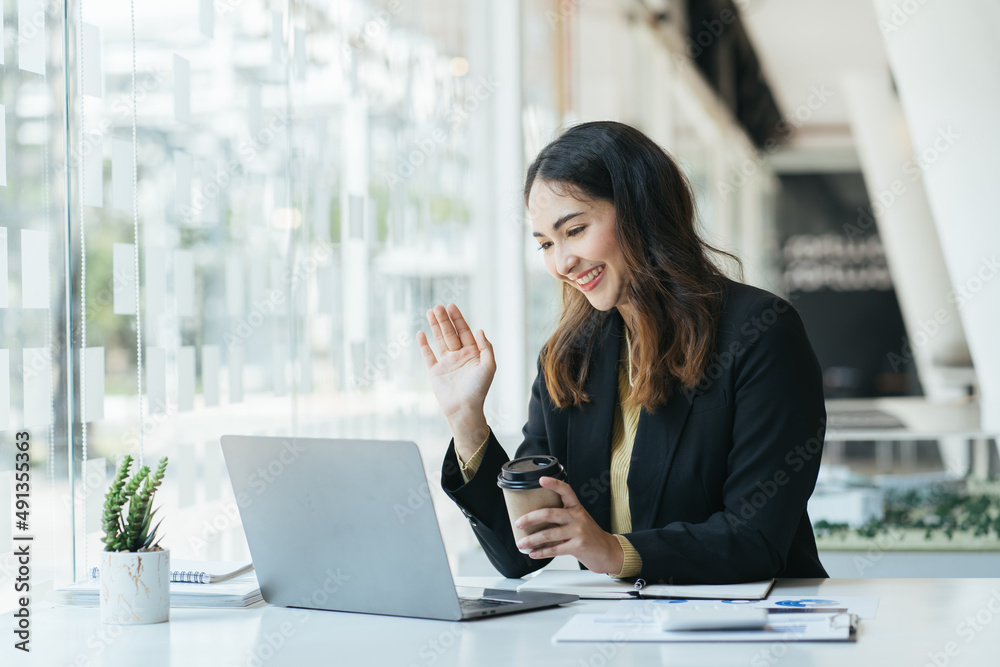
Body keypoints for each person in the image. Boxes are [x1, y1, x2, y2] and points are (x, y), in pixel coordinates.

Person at [416, 121, 828, 584]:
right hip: (621, 631)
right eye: (547, 244)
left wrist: (614, 551)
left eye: (574, 230)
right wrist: (466, 419)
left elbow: (756, 538)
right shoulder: (570, 356)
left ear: (640, 211)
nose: (561, 263)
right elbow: (523, 553)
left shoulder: (759, 333)